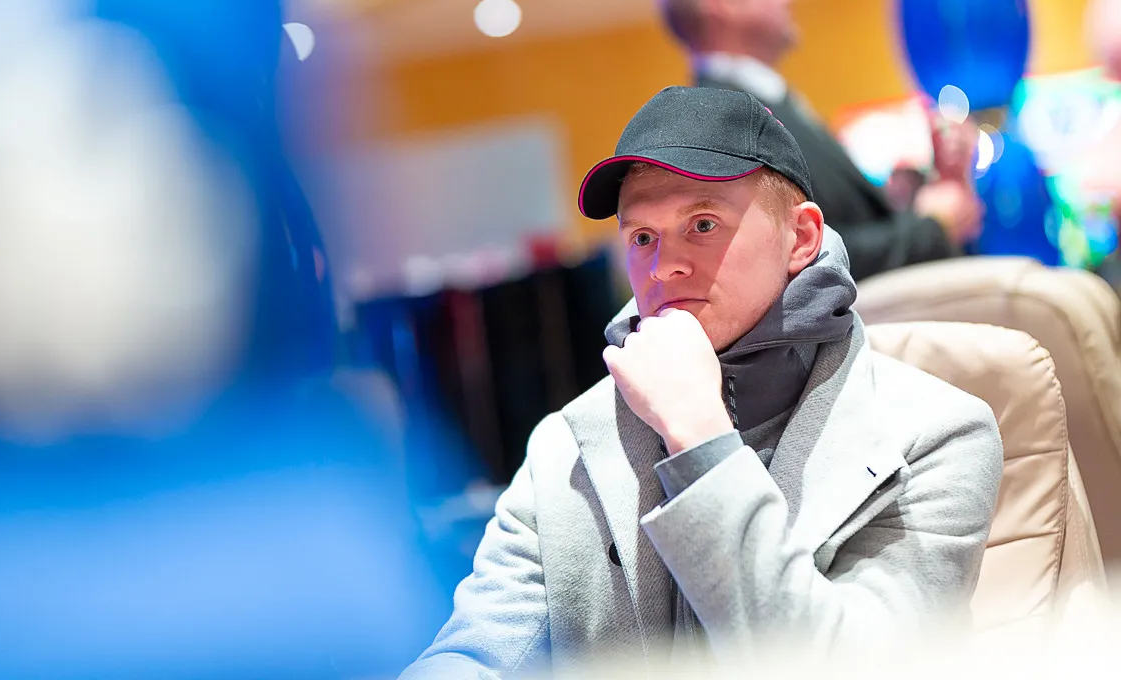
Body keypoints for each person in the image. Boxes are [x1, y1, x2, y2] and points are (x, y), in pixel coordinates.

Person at [400, 86, 1004, 677]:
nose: (664, 267)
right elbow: (476, 653)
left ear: (800, 238)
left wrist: (701, 438)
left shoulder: (938, 435)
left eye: (704, 224)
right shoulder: (563, 448)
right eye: (642, 237)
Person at [653, 0, 983, 281]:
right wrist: (931, 227)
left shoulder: (763, 102)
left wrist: (937, 191)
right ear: (723, 0)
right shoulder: (723, 123)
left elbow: (843, 219)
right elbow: (794, 254)